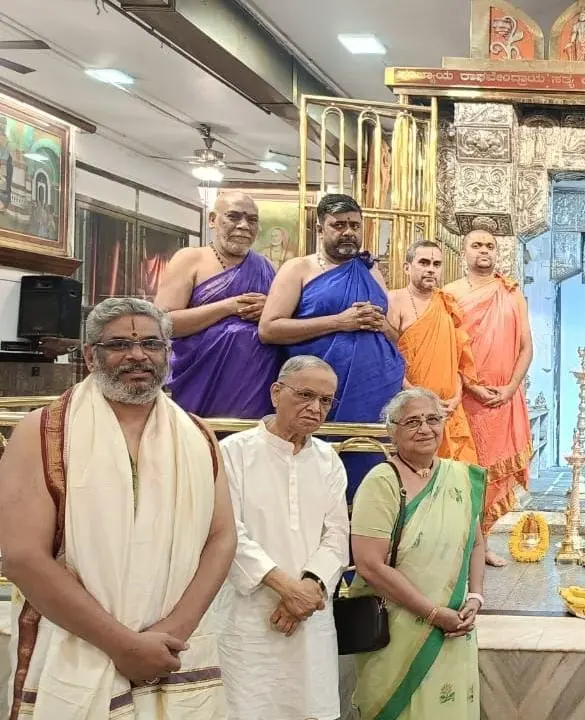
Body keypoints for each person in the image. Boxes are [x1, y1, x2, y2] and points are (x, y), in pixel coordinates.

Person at [0, 298, 235, 719]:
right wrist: (122, 645)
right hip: (78, 643)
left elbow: (222, 538)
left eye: (151, 343)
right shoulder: (44, 431)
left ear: (167, 353)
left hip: (173, 650)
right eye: (119, 345)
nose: (137, 355)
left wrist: (172, 634)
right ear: (90, 355)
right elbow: (21, 557)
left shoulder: (198, 435)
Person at [215, 355, 350, 720]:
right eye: (306, 394)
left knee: (310, 707)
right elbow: (227, 532)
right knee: (246, 708)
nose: (316, 407)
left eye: (325, 401)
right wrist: (284, 588)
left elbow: (337, 535)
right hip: (250, 615)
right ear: (276, 392)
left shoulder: (329, 460)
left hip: (311, 613)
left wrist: (307, 589)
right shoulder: (233, 452)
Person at [349, 389, 486, 720]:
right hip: (400, 634)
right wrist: (434, 613)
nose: (425, 428)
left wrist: (475, 597)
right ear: (392, 430)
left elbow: (477, 543)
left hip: (455, 629)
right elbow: (369, 565)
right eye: (412, 421)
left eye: (433, 419)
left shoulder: (460, 478)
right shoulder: (382, 482)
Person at [259, 193, 406, 499]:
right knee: (317, 482)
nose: (348, 231)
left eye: (354, 225)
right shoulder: (298, 269)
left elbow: (393, 335)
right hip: (322, 395)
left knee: (370, 479)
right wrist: (339, 322)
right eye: (339, 225)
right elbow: (269, 329)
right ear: (320, 228)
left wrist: (380, 324)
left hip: (375, 394)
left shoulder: (370, 270)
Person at [443, 229, 533, 566]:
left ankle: (483, 546)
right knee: (465, 473)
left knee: (494, 478)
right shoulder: (449, 294)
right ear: (463, 252)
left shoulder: (511, 294)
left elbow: (526, 346)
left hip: (503, 399)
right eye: (477, 245)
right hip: (465, 399)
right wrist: (471, 385)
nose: (484, 251)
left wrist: (510, 388)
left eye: (490, 246)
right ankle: (459, 549)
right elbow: (448, 350)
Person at [157, 191, 281, 418]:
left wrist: (270, 309)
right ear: (213, 220)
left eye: (252, 220)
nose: (243, 226)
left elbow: (280, 323)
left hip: (256, 382)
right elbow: (163, 323)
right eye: (234, 217)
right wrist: (229, 307)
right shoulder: (190, 259)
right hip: (202, 380)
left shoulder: (266, 266)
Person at [388, 240, 479, 464]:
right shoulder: (394, 301)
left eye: (436, 264)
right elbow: (386, 360)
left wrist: (457, 396)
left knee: (457, 480)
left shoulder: (447, 303)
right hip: (412, 406)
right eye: (424, 262)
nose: (431, 268)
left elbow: (458, 359)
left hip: (448, 410)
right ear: (407, 267)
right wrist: (422, 398)